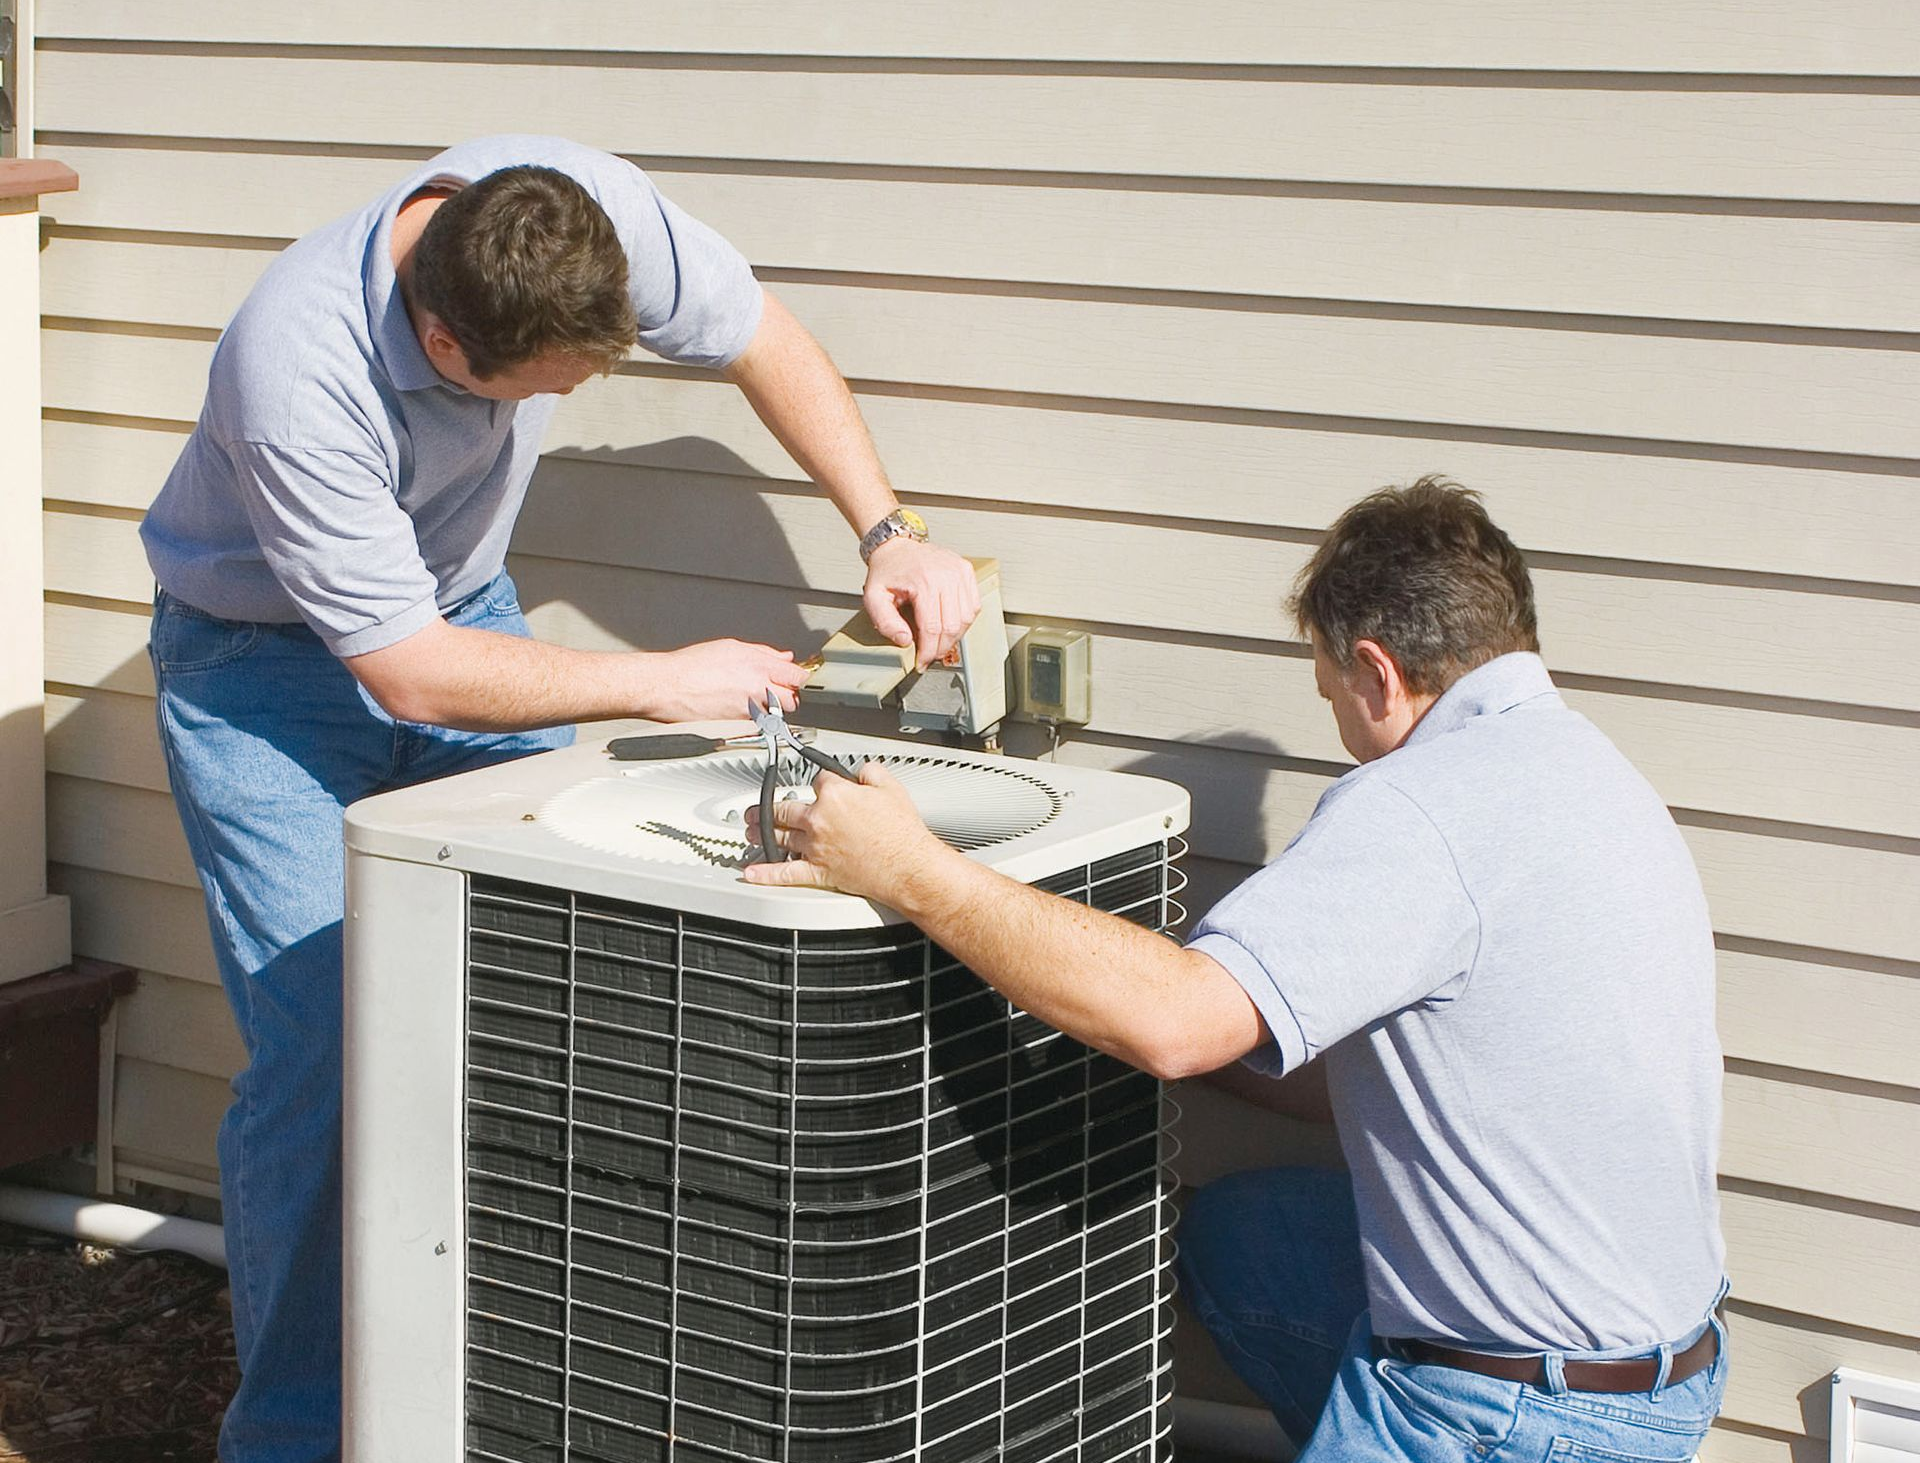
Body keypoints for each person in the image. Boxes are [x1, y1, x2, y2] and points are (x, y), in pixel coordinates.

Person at [141, 134, 980, 1463]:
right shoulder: (296, 370)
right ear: (440, 340)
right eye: (548, 387)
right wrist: (654, 681)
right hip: (271, 673)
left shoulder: (571, 215)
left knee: (536, 997)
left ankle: (509, 1400)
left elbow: (761, 332)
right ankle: (300, 1435)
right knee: (329, 1039)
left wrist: (888, 529)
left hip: (457, 618)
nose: (573, 397)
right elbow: (407, 673)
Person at [745, 478, 1729, 1461]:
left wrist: (915, 873)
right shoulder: (1592, 771)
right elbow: (1434, 1070)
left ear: (1379, 674)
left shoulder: (1419, 805)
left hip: (1520, 1412)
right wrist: (1130, 1011)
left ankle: (1397, 1423)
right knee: (1242, 1238)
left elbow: (1174, 1022)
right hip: (1665, 1353)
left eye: (1332, 691)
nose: (1340, 718)